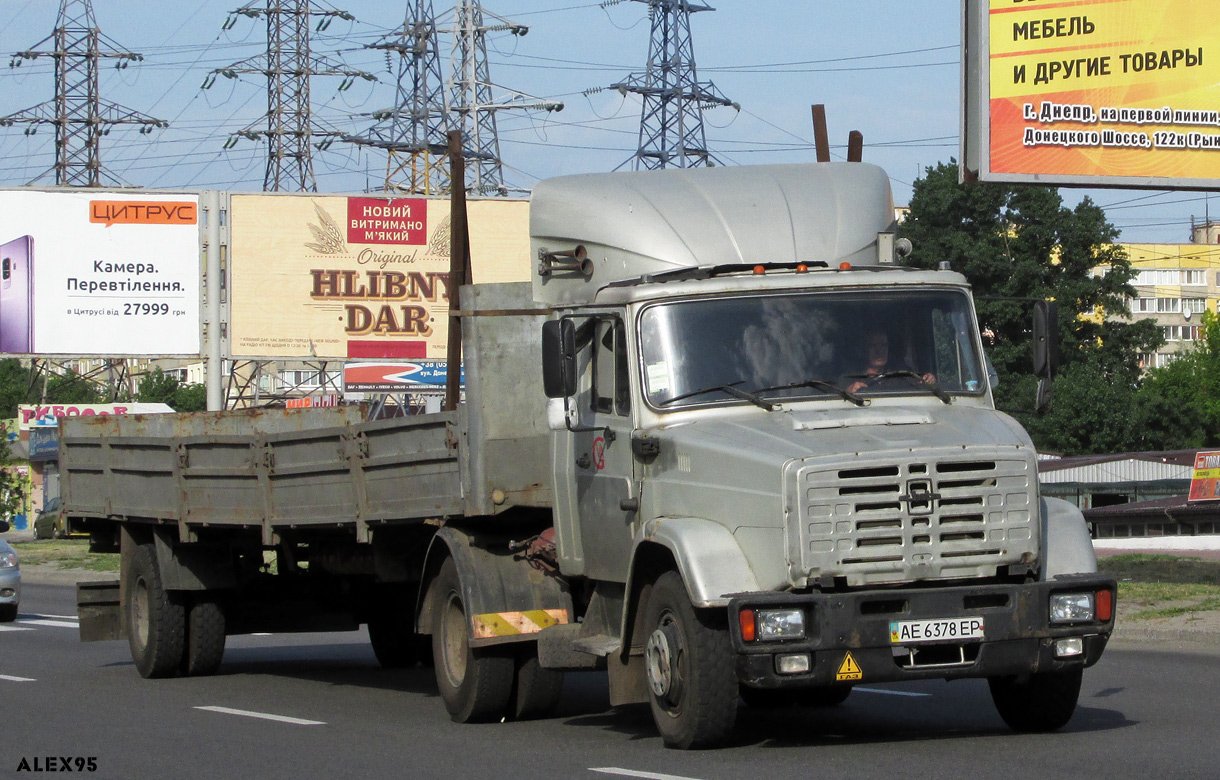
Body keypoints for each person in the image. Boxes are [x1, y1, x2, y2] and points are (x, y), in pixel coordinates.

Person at [845, 328, 935, 394]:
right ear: (863, 350)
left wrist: (928, 380)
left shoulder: (902, 375)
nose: (879, 351)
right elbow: (835, 394)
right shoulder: (849, 377)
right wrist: (848, 391)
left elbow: (919, 388)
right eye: (873, 346)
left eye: (884, 345)